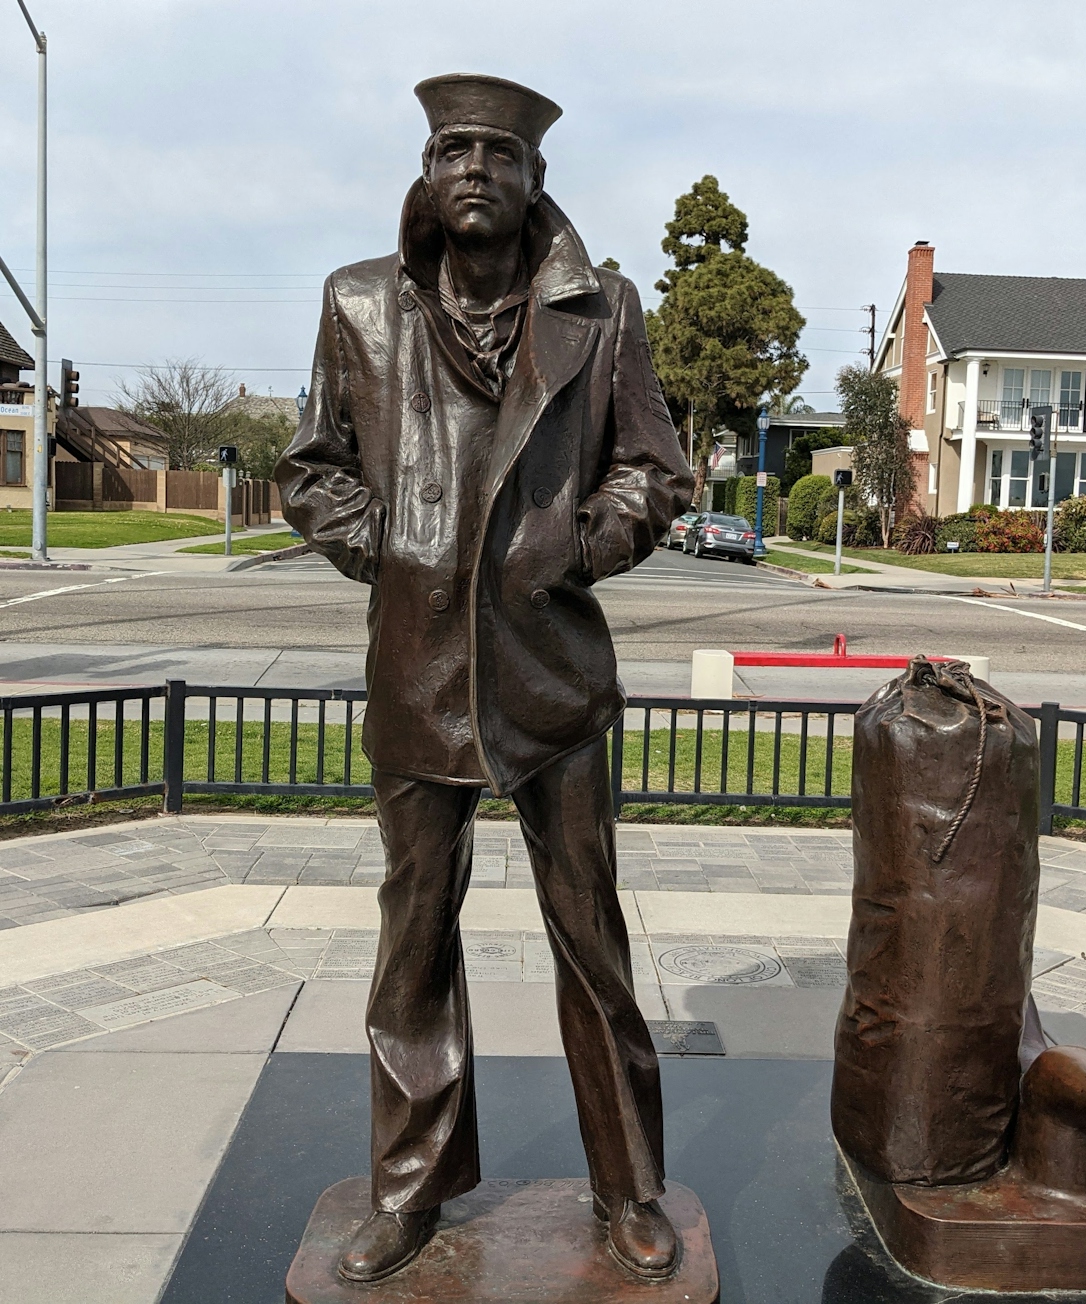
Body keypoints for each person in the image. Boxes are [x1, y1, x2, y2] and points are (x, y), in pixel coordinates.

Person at [276, 74, 693, 1284]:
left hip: (550, 675)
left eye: (494, 154)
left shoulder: (600, 306)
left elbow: (652, 471)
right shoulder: (358, 303)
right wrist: (392, 546)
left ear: (531, 179)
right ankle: (408, 1190)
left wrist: (584, 540)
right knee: (411, 944)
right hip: (417, 674)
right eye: (450, 147)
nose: (470, 168)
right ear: (424, 167)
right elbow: (312, 466)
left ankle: (628, 1188)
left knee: (591, 941)